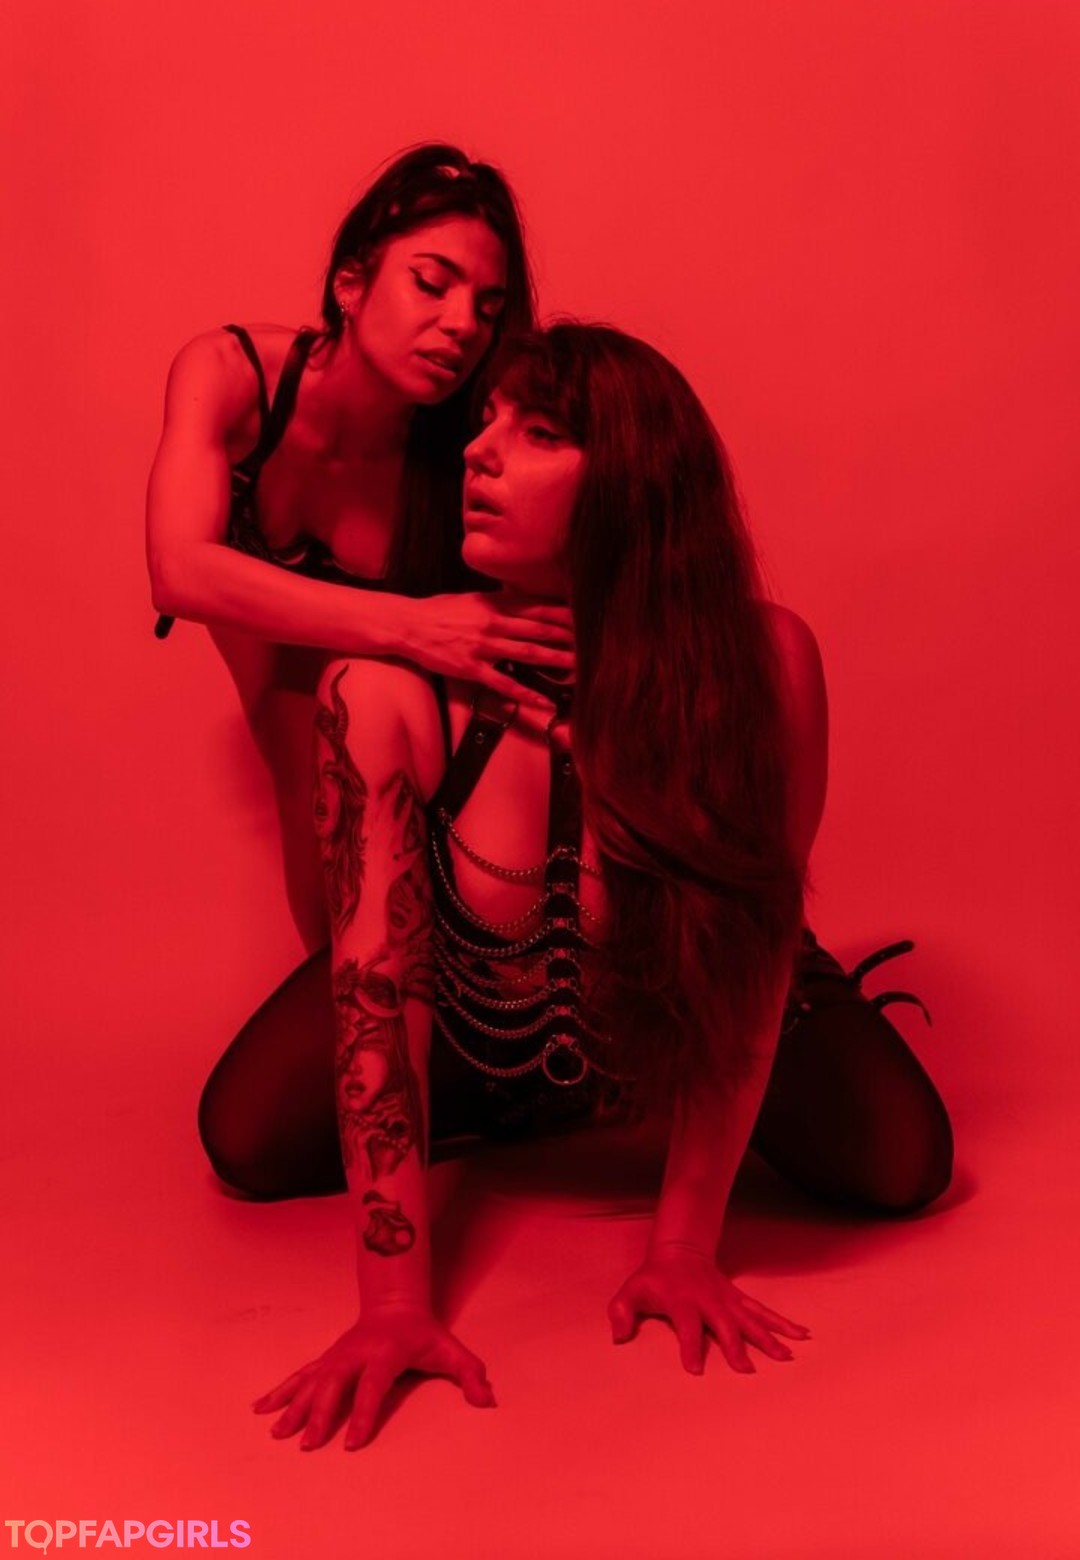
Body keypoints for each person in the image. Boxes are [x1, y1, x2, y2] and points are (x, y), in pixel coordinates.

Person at [237, 323, 953, 1452]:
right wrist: (394, 1304)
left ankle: (625, 1066)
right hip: (472, 987)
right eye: (486, 422)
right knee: (244, 1134)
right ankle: (558, 1082)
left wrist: (681, 1246)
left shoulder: (764, 667)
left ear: (631, 479)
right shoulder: (383, 691)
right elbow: (378, 997)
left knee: (905, 1160)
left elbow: (756, 946)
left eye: (539, 432)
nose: (478, 450)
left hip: (700, 974)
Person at [145, 143, 574, 957]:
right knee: (325, 873)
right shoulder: (232, 375)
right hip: (304, 689)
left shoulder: (467, 442)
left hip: (410, 705)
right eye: (432, 283)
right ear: (350, 284)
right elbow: (179, 570)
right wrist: (414, 627)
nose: (462, 325)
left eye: (487, 308)